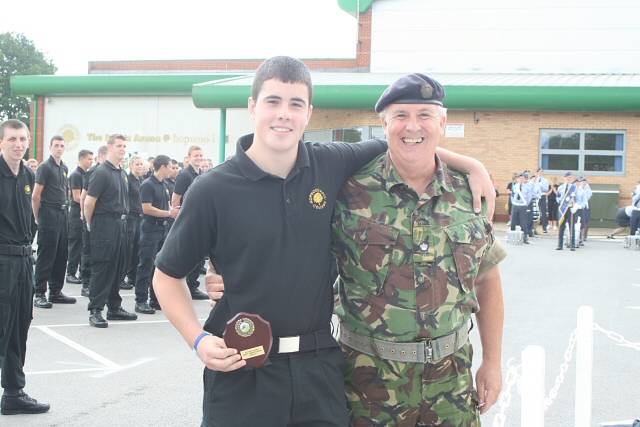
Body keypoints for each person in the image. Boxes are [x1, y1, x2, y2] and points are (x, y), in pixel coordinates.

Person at [156, 56, 494, 427]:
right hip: (243, 368)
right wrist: (198, 339)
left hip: (319, 371)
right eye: (273, 101)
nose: (283, 114)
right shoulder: (212, 189)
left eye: (295, 104)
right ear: (252, 107)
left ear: (309, 113)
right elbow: (166, 276)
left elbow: (404, 143)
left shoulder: (331, 164)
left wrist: (471, 165)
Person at [332, 73, 505, 426]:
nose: (413, 126)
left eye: (425, 114)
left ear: (442, 122)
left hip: (450, 386)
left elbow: (487, 281)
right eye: (401, 115)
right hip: (367, 387)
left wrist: (492, 362)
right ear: (384, 124)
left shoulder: (469, 194)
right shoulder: (348, 191)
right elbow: (294, 249)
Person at [0, 119, 50, 415]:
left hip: (22, 261)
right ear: (1, 142)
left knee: (19, 326)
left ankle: (13, 393)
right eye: (12, 139)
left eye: (22, 139)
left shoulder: (28, 175)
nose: (18, 144)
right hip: (2, 261)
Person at [84, 135, 137, 328]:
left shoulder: (121, 172)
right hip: (104, 224)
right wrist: (92, 225)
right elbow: (89, 202)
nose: (123, 149)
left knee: (118, 267)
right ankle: (95, 310)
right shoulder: (101, 172)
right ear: (109, 147)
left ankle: (114, 307)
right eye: (119, 146)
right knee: (103, 267)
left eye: (125, 145)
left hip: (121, 225)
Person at [32, 135, 76, 308]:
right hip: (48, 213)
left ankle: (55, 291)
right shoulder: (44, 167)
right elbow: (36, 196)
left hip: (63, 212)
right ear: (50, 147)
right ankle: (39, 293)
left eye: (61, 145)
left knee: (61, 254)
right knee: (46, 254)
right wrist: (38, 217)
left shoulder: (64, 167)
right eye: (56, 145)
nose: (59, 148)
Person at [134, 155, 179, 314]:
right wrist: (168, 213)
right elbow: (146, 208)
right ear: (163, 167)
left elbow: (165, 205)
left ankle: (154, 299)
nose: (172, 169)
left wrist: (171, 212)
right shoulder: (148, 185)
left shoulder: (164, 185)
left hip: (162, 229)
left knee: (157, 267)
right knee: (145, 265)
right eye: (170, 166)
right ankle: (140, 300)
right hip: (150, 229)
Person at [171, 145, 208, 300]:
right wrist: (178, 216)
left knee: (199, 259)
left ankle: (192, 287)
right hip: (189, 218)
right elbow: (175, 197)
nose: (199, 158)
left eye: (201, 155)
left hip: (199, 218)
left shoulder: (199, 173)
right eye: (196, 156)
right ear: (188, 157)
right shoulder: (185, 175)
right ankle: (187, 287)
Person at [79, 145, 107, 297]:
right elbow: (84, 196)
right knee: (88, 251)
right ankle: (86, 284)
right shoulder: (94, 171)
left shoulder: (110, 172)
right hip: (92, 218)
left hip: (104, 220)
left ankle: (96, 283)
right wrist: (84, 216)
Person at [66, 149, 93, 285]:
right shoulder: (76, 175)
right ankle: (70, 273)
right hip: (76, 213)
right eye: (89, 159)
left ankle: (82, 272)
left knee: (83, 245)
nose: (91, 161)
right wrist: (90, 200)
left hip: (84, 212)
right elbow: (77, 197)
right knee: (75, 244)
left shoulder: (87, 174)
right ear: (81, 159)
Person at [122, 155, 146, 290]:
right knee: (128, 248)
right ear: (131, 166)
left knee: (137, 247)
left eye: (141, 164)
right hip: (131, 217)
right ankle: (122, 277)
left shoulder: (141, 180)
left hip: (140, 218)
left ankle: (132, 276)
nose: (140, 167)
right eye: (137, 164)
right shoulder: (128, 180)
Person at [556, 172, 578, 251]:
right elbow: (557, 197)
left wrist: (574, 207)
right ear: (564, 178)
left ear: (571, 179)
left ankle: (572, 245)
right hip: (562, 209)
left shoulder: (574, 188)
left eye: (570, 177)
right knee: (561, 227)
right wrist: (561, 202)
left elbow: (577, 199)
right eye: (567, 177)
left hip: (570, 209)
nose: (568, 179)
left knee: (572, 227)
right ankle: (560, 245)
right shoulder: (560, 187)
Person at [510, 172, 532, 244]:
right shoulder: (515, 186)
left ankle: (525, 238)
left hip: (523, 206)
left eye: (522, 178)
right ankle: (512, 237)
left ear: (524, 179)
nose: (521, 179)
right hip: (515, 205)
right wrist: (513, 202)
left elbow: (529, 197)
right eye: (519, 178)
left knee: (523, 222)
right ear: (517, 179)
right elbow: (512, 195)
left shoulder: (527, 187)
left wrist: (526, 204)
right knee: (513, 221)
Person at [533, 168, 550, 233]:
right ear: (537, 173)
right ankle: (534, 228)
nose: (540, 173)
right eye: (539, 172)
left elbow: (546, 189)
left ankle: (544, 228)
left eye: (542, 172)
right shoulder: (534, 179)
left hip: (542, 196)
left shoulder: (545, 180)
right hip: (535, 197)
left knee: (543, 212)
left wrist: (540, 185)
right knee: (535, 212)